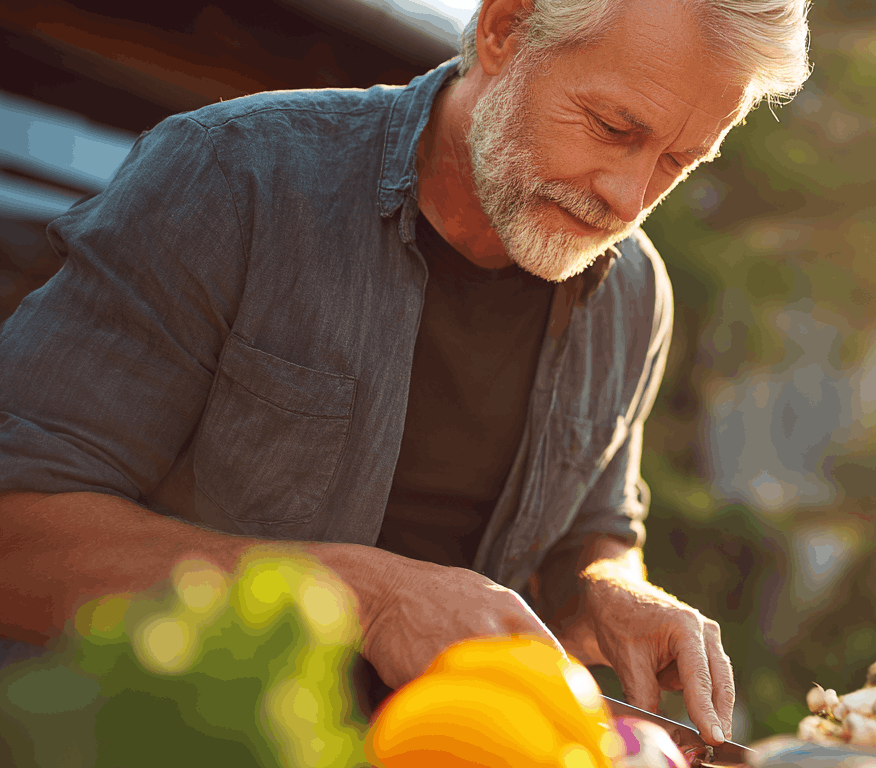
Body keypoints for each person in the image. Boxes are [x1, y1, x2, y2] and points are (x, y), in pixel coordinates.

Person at [0, 0, 809, 745]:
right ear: (504, 29)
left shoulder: (635, 292)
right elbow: (16, 535)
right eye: (611, 127)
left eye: (677, 160)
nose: (629, 199)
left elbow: (592, 531)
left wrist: (610, 590)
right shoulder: (232, 179)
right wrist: (367, 596)